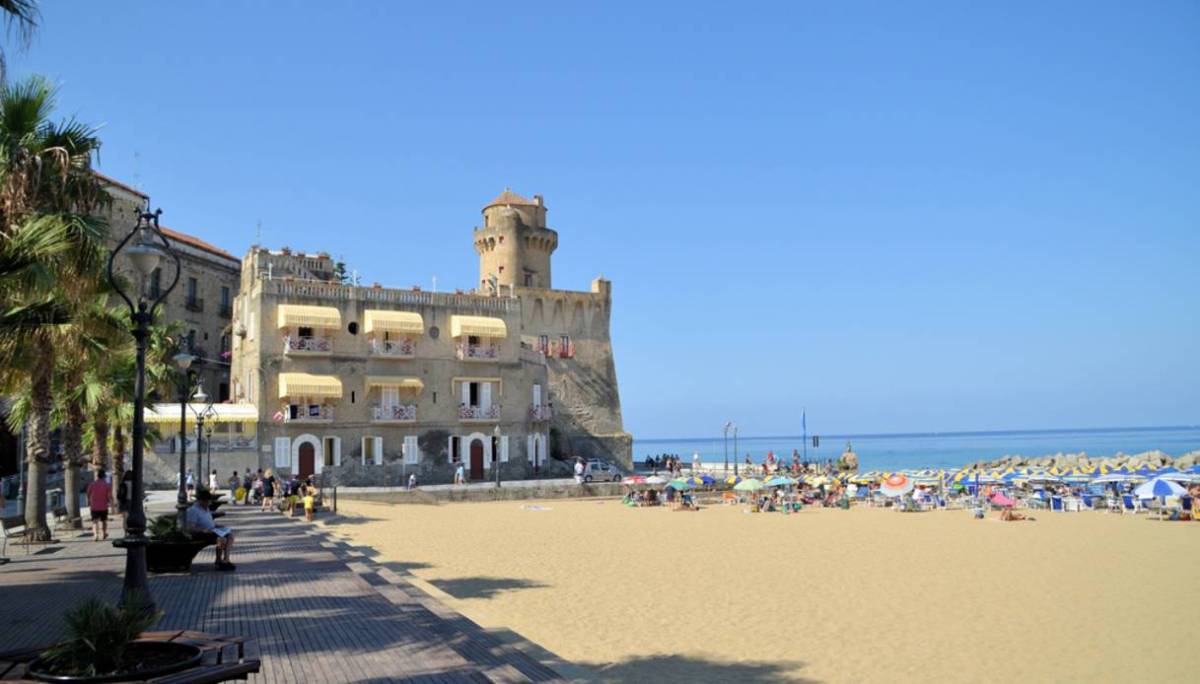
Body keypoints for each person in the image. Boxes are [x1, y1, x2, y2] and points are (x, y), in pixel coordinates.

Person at [186, 490, 235, 570]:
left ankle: (226, 560)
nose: (208, 504)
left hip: (211, 531)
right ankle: (218, 561)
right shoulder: (193, 510)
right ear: (200, 501)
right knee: (221, 539)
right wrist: (204, 530)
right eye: (206, 502)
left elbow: (209, 522)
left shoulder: (205, 508)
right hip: (201, 534)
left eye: (208, 501)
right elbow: (191, 528)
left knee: (230, 536)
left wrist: (218, 526)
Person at [86, 469, 112, 542]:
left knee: (95, 521)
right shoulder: (107, 485)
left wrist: (88, 502)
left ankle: (95, 535)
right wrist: (109, 502)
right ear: (104, 476)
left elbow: (88, 494)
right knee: (104, 521)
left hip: (94, 506)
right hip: (104, 506)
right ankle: (104, 533)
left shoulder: (92, 484)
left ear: (97, 476)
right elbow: (109, 496)